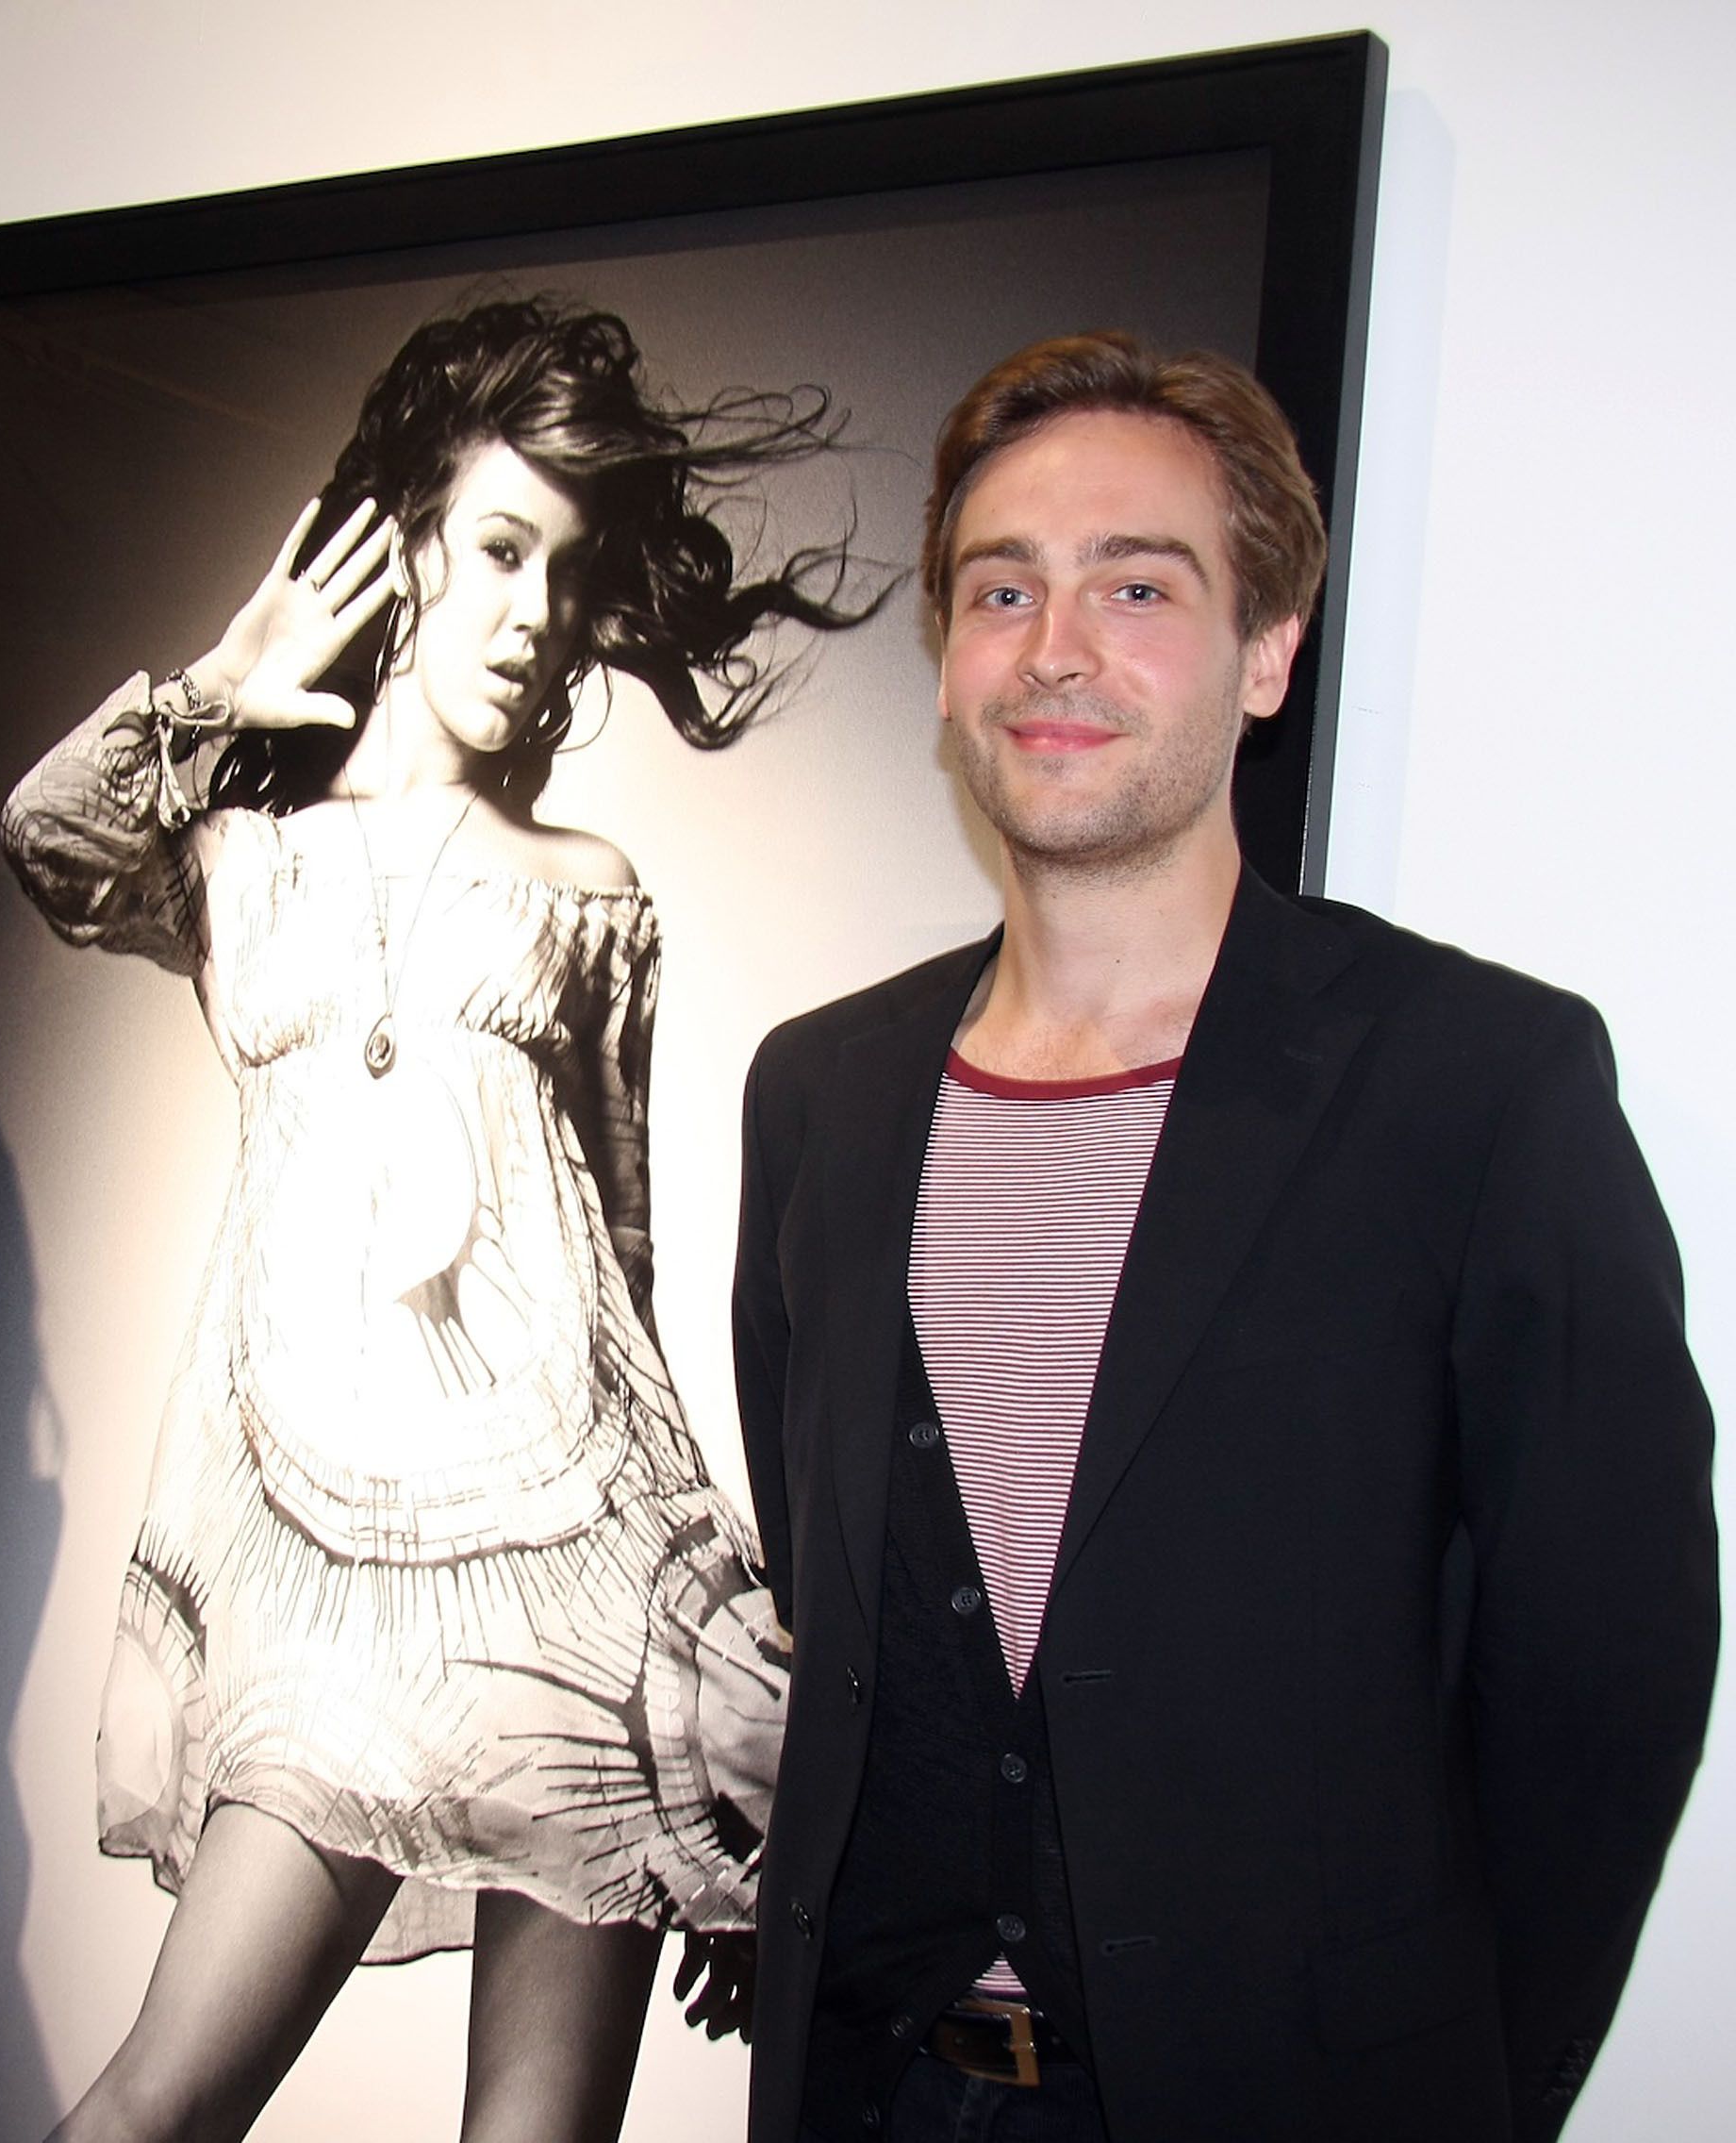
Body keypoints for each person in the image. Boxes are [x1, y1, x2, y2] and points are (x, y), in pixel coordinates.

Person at [732, 332, 1717, 2143]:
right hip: (869, 2097)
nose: (1057, 644)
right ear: (947, 666)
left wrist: (1470, 2095)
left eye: (1140, 584)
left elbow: (1611, 1677)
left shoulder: (1484, 1085)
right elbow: (830, 1592)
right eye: (1001, 586)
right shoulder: (822, 1093)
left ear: (1267, 653)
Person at [2, 296, 884, 2142]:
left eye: (567, 571)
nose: (532, 614)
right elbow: (52, 839)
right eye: (495, 549)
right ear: (398, 544)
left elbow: (615, 1294)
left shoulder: (595, 894)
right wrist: (220, 683)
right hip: (326, 1603)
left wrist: (716, 1712)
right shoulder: (242, 860)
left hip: (578, 1589)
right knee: (151, 2107)